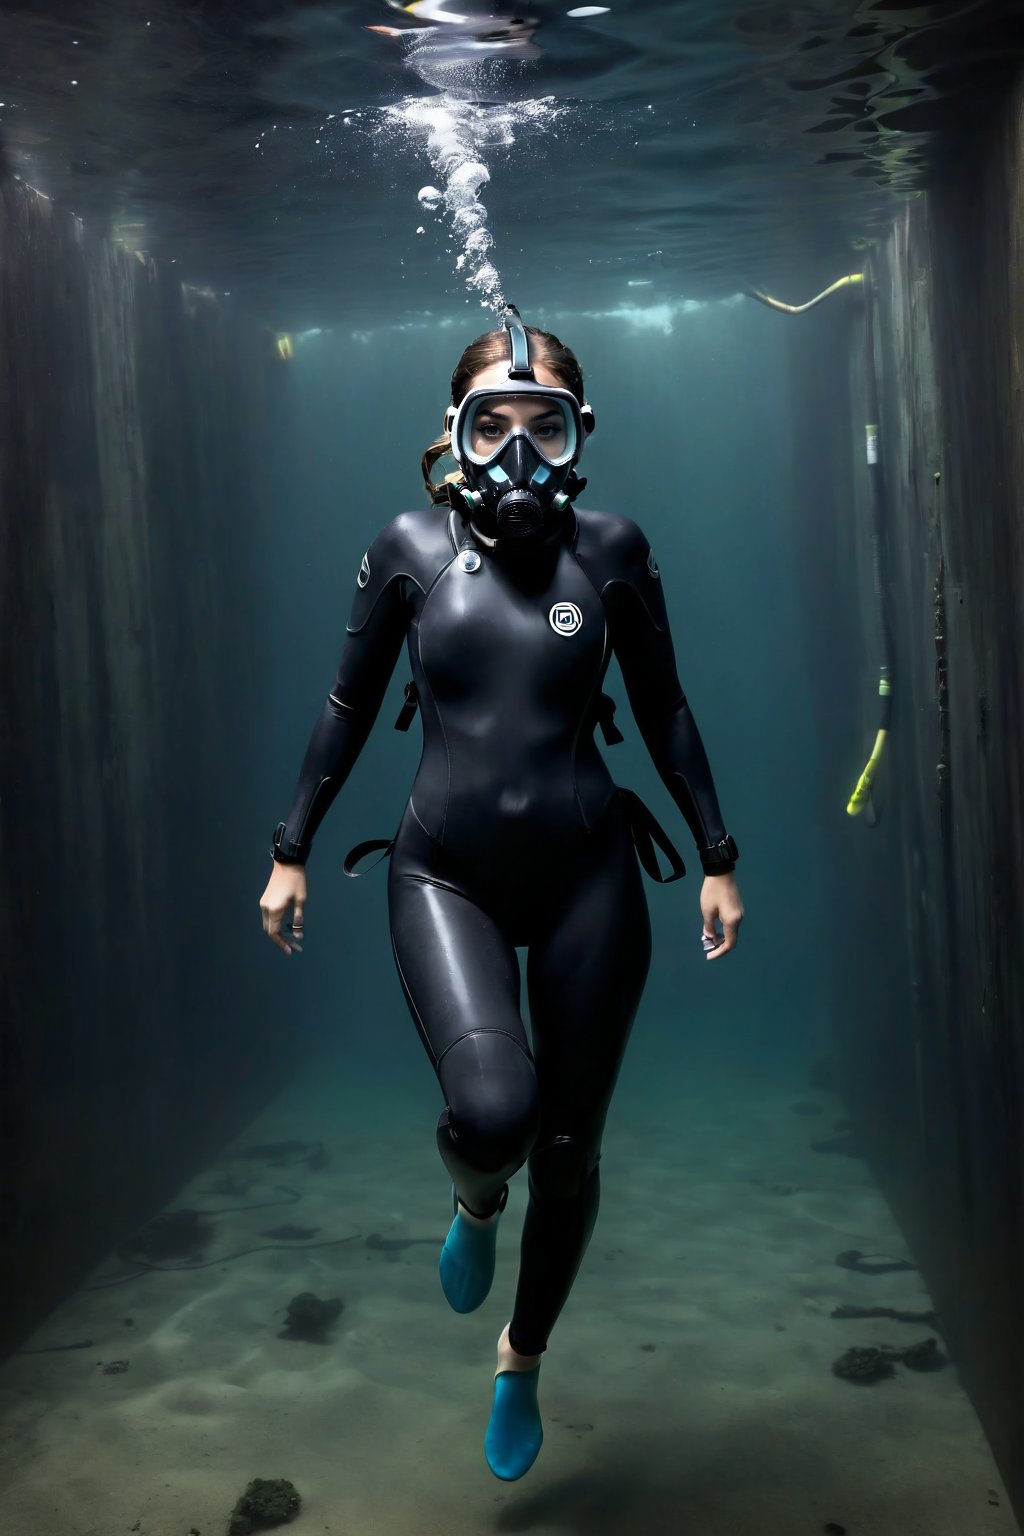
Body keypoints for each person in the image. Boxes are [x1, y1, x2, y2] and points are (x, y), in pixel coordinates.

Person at [259, 306, 744, 1481]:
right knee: (493, 1117)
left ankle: (519, 1358)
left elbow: (666, 705)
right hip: (447, 875)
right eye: (494, 427)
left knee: (569, 1150)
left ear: (582, 437)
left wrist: (716, 854)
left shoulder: (614, 552)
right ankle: (477, 1206)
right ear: (452, 436)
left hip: (592, 880)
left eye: (546, 428)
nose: (519, 457)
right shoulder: (407, 551)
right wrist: (291, 845)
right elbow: (347, 705)